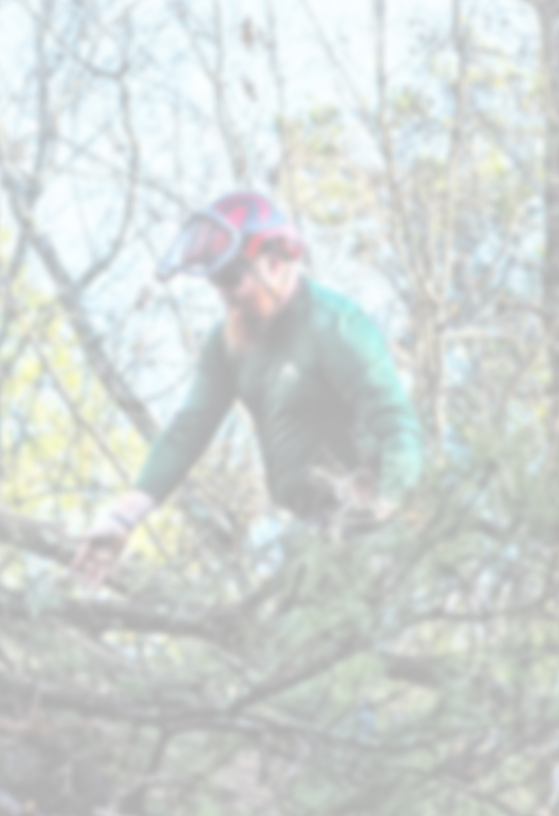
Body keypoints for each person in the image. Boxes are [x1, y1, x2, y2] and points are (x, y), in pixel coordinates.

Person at [73, 191, 423, 580]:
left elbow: (399, 429)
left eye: (229, 277)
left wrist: (386, 514)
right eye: (213, 280)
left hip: (364, 521)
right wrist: (121, 520)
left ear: (273, 263)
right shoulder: (228, 343)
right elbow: (187, 432)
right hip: (311, 530)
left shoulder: (334, 326)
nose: (222, 294)